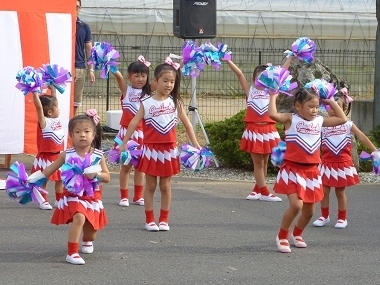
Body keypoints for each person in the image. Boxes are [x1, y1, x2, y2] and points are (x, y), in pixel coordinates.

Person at [119, 58, 201, 232]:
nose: (169, 85)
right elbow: (134, 122)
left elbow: (187, 124)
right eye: (165, 81)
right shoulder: (146, 102)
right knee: (150, 186)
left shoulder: (175, 102)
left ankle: (164, 219)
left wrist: (196, 145)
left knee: (165, 186)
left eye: (172, 81)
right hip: (150, 150)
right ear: (155, 82)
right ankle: (150, 220)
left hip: (169, 150)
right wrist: (124, 143)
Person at [268, 87, 348, 253]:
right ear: (298, 105)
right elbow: (273, 115)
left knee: (310, 212)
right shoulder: (291, 119)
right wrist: (273, 96)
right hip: (292, 170)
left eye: (317, 106)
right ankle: (282, 236)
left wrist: (331, 100)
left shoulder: (320, 121)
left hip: (312, 172)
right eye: (310, 106)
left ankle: (297, 233)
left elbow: (342, 119)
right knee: (296, 205)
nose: (314, 110)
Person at [28, 115, 110, 265]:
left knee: (92, 235)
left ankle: (86, 239)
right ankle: (72, 253)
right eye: (77, 132)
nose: (82, 135)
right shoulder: (66, 154)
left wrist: (96, 175)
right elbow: (48, 171)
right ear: (71, 136)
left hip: (92, 198)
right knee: (79, 217)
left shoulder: (98, 155)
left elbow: (107, 177)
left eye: (86, 131)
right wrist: (31, 179)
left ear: (94, 135)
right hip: (73, 195)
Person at [224, 58, 295, 202]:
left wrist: (291, 57)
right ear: (253, 79)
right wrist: (228, 60)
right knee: (258, 163)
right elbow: (239, 74)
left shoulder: (272, 91)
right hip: (254, 130)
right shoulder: (249, 90)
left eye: (264, 78)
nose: (261, 81)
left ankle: (257, 190)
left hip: (269, 130)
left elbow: (281, 72)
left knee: (264, 161)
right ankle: (264, 192)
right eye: (258, 78)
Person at [313, 88, 377, 229]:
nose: (333, 110)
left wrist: (374, 151)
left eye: (337, 106)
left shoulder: (348, 124)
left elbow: (362, 136)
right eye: (330, 106)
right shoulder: (322, 124)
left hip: (342, 163)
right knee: (324, 191)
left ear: (344, 108)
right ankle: (324, 215)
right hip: (326, 163)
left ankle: (342, 218)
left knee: (340, 191)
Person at [110, 56, 151, 207]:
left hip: (143, 134)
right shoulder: (126, 90)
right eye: (136, 75)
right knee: (126, 166)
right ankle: (124, 196)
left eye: (143, 76)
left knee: (141, 167)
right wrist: (109, 63)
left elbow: (164, 79)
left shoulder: (149, 92)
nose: (140, 79)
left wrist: (177, 65)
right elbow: (118, 75)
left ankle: (138, 196)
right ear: (130, 76)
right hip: (126, 133)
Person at [31, 86, 64, 210]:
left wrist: (53, 89)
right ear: (50, 112)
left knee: (60, 180)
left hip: (58, 156)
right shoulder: (44, 122)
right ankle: (43, 201)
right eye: (57, 108)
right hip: (45, 157)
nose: (59, 109)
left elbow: (54, 100)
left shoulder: (56, 119)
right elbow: (39, 108)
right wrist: (34, 93)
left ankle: (59, 200)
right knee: (43, 179)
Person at [74, 0, 95, 115]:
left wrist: (90, 69)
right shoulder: (61, 23)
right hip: (63, 68)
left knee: (75, 103)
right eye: (73, 6)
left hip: (79, 67)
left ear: (80, 8)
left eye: (78, 7)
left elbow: (89, 49)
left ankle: (71, 127)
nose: (75, 9)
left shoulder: (84, 27)